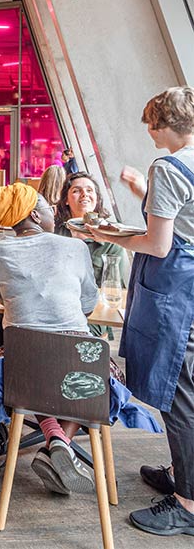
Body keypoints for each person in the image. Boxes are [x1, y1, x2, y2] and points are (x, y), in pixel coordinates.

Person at [85, 87, 194, 535]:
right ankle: (181, 473)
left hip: (175, 285)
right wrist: (143, 192)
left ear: (164, 123)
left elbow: (157, 243)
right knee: (187, 382)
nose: (148, 131)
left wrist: (107, 236)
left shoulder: (167, 164)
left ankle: (187, 503)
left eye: (151, 123)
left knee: (178, 394)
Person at [0, 182, 101, 495]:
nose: (53, 210)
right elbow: (88, 303)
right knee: (83, 368)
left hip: (22, 369)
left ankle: (52, 436)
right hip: (79, 367)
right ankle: (61, 443)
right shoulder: (75, 247)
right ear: (35, 215)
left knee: (27, 357)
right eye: (47, 206)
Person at [55, 171, 130, 339]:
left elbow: (115, 289)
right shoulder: (54, 232)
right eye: (76, 190)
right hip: (55, 306)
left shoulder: (112, 238)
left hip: (92, 313)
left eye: (90, 190)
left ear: (97, 198)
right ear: (66, 200)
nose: (84, 195)